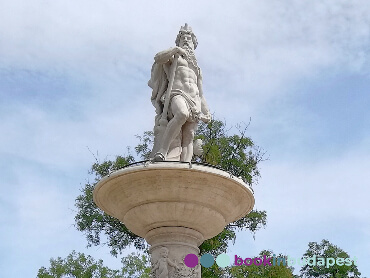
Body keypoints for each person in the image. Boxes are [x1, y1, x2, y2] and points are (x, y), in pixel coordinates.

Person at [148, 23, 211, 162]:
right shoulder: (174, 57)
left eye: (189, 38)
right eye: (183, 37)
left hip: (195, 100)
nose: (186, 40)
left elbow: (200, 92)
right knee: (182, 114)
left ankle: (186, 165)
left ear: (194, 44)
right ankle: (163, 151)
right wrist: (174, 50)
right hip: (177, 93)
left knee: (189, 135)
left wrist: (206, 111)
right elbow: (158, 58)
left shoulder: (197, 68)